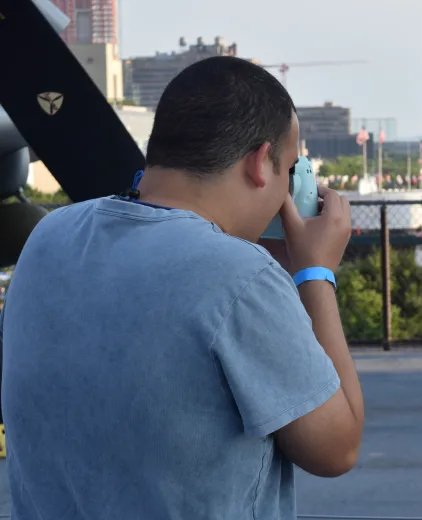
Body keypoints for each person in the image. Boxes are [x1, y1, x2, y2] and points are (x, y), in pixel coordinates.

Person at [0, 56, 364, 519]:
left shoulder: (49, 237)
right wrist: (315, 273)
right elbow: (337, 448)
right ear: (259, 163)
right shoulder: (241, 277)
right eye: (289, 170)